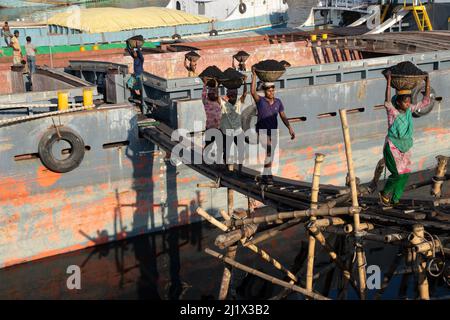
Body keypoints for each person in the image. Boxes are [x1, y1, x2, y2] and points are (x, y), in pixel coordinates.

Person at [379, 71, 431, 206]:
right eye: (405, 102)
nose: (408, 104)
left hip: (405, 146)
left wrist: (427, 80)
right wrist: (389, 81)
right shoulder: (393, 112)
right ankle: (384, 193)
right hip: (393, 147)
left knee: (405, 174)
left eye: (409, 101)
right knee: (397, 174)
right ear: (398, 102)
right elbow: (387, 99)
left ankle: (395, 199)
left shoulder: (410, 110)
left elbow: (426, 101)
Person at [251, 67, 295, 184]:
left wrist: (290, 128)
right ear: (265, 91)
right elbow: (252, 92)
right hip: (262, 131)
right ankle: (267, 175)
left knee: (270, 153)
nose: (271, 93)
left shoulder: (278, 102)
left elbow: (283, 116)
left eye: (273, 91)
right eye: (269, 91)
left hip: (273, 131)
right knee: (269, 150)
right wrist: (254, 75)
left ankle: (267, 174)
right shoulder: (260, 101)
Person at [220, 75, 248, 170]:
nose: (234, 98)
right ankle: (229, 169)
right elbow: (216, 98)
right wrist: (217, 84)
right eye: (232, 96)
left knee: (241, 150)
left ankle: (240, 168)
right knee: (228, 152)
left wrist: (245, 82)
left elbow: (244, 94)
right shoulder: (224, 104)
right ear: (228, 96)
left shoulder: (238, 103)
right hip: (228, 131)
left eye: (235, 96)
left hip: (237, 130)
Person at [201, 78, 222, 161]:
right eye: (211, 94)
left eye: (214, 94)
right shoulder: (206, 102)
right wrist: (205, 84)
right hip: (210, 128)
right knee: (208, 145)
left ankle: (219, 161)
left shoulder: (218, 102)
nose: (213, 95)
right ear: (208, 96)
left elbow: (217, 93)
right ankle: (204, 158)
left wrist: (216, 85)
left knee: (220, 146)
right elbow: (203, 94)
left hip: (218, 128)